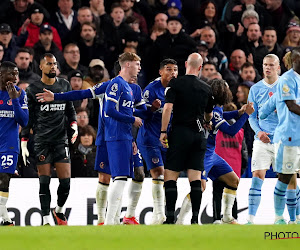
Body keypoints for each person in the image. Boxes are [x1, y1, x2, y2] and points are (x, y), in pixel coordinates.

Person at [175, 78, 254, 225]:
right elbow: (231, 131)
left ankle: (227, 217)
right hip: (203, 154)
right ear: (222, 92)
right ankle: (180, 220)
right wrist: (246, 115)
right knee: (201, 187)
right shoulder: (213, 110)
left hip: (212, 153)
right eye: (227, 88)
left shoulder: (214, 108)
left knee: (233, 180)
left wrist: (238, 112)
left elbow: (222, 116)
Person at [20, 53, 78, 226]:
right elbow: (27, 117)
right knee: (44, 180)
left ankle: (59, 210)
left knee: (66, 182)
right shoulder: (32, 89)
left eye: (54, 64)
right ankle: (46, 220)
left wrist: (74, 124)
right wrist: (24, 140)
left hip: (61, 139)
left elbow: (70, 109)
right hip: (42, 140)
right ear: (41, 67)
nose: (53, 66)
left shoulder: (64, 85)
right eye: (49, 64)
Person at [159, 53, 214, 224]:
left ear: (185, 64)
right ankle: (195, 219)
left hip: (179, 133)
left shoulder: (176, 83)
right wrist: (205, 121)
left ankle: (169, 218)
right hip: (198, 136)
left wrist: (163, 131)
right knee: (195, 178)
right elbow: (209, 115)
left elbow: (167, 108)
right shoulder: (206, 88)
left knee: (170, 176)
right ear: (200, 67)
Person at [260, 48, 300, 224]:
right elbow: (291, 105)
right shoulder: (286, 79)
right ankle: (278, 217)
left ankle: (295, 217)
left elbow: (264, 110)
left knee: (293, 177)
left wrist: (264, 111)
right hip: (288, 137)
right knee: (285, 176)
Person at [137, 58, 178, 224]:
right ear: (161, 72)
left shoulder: (178, 89)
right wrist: (152, 108)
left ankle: (168, 213)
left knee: (169, 176)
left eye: (175, 70)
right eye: (168, 69)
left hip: (169, 140)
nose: (172, 73)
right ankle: (158, 214)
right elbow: (141, 114)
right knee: (158, 172)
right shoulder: (151, 89)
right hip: (150, 138)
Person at [103, 52, 143, 225]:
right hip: (116, 135)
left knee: (122, 179)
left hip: (125, 136)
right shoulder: (116, 84)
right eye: (137, 64)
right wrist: (132, 119)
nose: (139, 68)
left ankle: (113, 220)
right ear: (127, 65)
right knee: (119, 179)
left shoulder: (127, 86)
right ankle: (110, 221)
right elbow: (109, 110)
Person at [246, 54, 280, 224]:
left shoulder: (287, 86)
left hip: (283, 140)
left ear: (278, 67)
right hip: (262, 140)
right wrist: (258, 132)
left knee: (288, 179)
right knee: (257, 176)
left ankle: (286, 218)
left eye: (271, 65)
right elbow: (252, 117)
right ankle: (251, 219)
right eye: (265, 64)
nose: (268, 68)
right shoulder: (255, 89)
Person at [0, 61, 28, 226]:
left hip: (9, 145)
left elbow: (24, 121)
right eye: (12, 74)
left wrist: (15, 100)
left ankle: (5, 219)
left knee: (4, 179)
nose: (16, 78)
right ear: (1, 75)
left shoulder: (20, 93)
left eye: (17, 74)